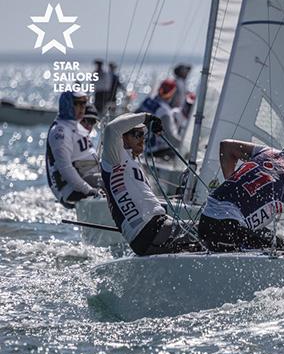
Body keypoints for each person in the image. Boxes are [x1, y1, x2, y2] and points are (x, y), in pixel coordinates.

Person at [198, 140, 284, 252]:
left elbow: (226, 146)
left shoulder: (273, 153)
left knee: (263, 235)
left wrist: (231, 185)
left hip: (205, 219)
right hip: (230, 231)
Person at [100, 112, 200, 256]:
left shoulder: (133, 165)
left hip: (155, 231)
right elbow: (111, 129)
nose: (142, 139)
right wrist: (147, 117)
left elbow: (150, 207)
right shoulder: (114, 159)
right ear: (123, 137)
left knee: (204, 245)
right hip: (149, 231)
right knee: (210, 231)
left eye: (143, 135)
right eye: (137, 135)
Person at [45, 92, 105, 208]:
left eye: (84, 103)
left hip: (90, 181)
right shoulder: (60, 131)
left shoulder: (76, 127)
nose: (82, 107)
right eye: (78, 103)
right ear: (66, 104)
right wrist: (89, 190)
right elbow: (65, 168)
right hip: (73, 190)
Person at [136, 78, 183, 155]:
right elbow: (171, 138)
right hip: (156, 151)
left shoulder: (147, 101)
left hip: (143, 147)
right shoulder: (164, 111)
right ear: (172, 94)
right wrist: (186, 146)